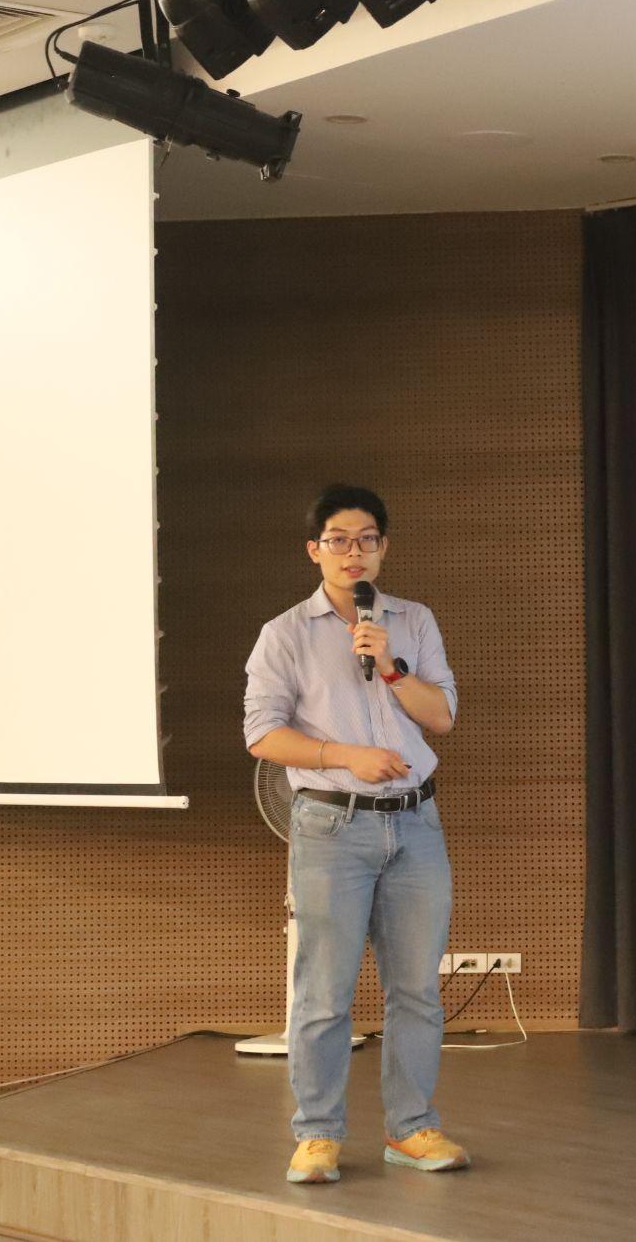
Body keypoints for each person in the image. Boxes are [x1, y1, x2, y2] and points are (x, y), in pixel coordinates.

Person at [242, 484, 468, 1184]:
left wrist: (392, 666)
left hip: (416, 823)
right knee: (324, 993)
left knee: (417, 990)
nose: (353, 552)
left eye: (367, 539)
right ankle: (317, 1135)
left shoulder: (413, 621)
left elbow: (442, 716)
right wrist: (347, 755)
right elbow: (262, 734)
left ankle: (412, 1127)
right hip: (331, 827)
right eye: (338, 539)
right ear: (314, 550)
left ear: (383, 548)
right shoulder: (284, 634)